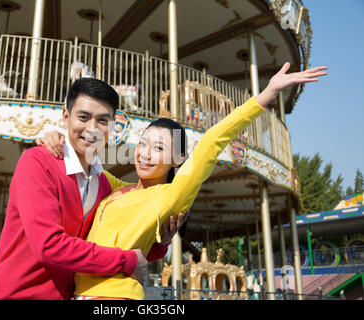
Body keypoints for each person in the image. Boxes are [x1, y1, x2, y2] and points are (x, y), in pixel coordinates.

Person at [39, 62, 327, 300]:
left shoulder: (170, 195)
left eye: (159, 148)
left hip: (114, 297)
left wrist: (264, 96)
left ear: (177, 159)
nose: (146, 154)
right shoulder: (117, 188)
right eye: (143, 143)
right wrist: (56, 139)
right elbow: (86, 162)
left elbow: (212, 142)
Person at [0, 78, 186, 300]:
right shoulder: (37, 162)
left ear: (114, 124)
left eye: (103, 120)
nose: (92, 129)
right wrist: (127, 261)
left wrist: (160, 244)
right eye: (83, 117)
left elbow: (118, 241)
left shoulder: (104, 184)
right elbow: (48, 245)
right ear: (66, 117)